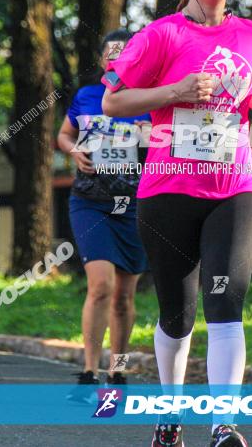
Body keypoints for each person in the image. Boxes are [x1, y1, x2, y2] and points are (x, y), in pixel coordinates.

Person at [101, 0, 252, 447]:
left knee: (226, 299)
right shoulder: (160, 35)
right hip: (168, 190)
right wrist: (175, 90)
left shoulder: (251, 34)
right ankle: (170, 415)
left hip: (237, 185)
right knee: (177, 315)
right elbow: (113, 101)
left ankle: (224, 424)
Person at [57, 29, 151, 388]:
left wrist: (148, 132)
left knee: (125, 297)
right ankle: (89, 369)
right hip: (89, 202)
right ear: (101, 61)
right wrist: (72, 150)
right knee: (101, 286)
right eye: (110, 53)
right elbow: (64, 134)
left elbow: (168, 143)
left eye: (124, 53)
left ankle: (118, 368)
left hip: (134, 204)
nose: (116, 59)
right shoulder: (87, 96)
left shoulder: (146, 99)